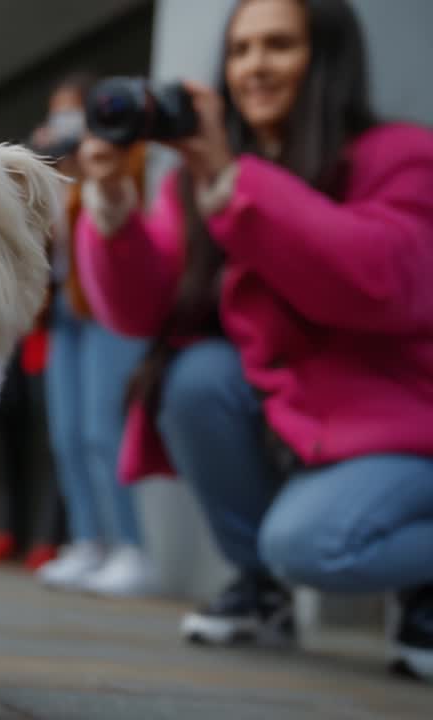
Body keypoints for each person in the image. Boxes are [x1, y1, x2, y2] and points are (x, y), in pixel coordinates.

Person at [74, 0, 433, 679]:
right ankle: (261, 593)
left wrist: (235, 181)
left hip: (404, 429)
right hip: (300, 422)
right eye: (240, 51)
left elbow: (376, 281)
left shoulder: (403, 156)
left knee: (313, 547)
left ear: (326, 57)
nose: (254, 67)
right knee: (198, 377)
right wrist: (113, 207)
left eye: (278, 46)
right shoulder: (201, 180)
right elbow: (142, 310)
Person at [30, 74, 157, 597]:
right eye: (57, 117)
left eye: (74, 116)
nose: (66, 128)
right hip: (64, 309)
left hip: (110, 304)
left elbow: (128, 220)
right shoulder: (58, 173)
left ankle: (131, 547)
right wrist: (43, 175)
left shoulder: (125, 153)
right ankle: (89, 542)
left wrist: (90, 164)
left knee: (105, 431)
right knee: (68, 435)